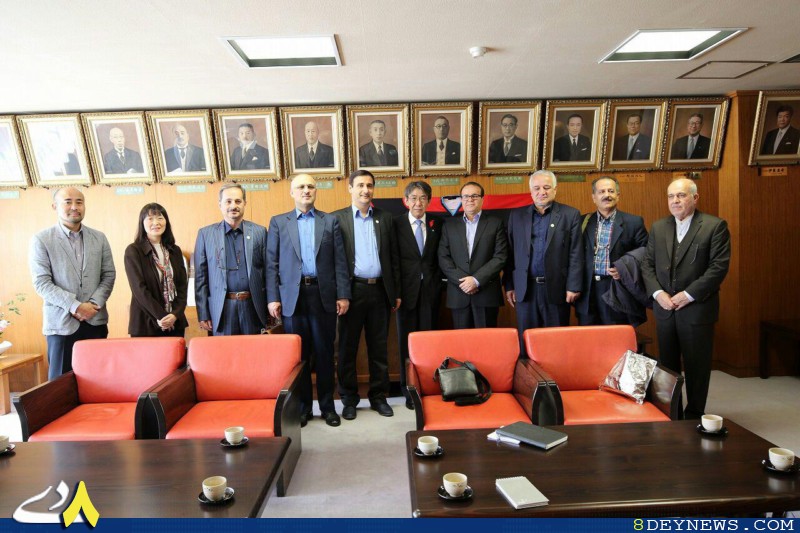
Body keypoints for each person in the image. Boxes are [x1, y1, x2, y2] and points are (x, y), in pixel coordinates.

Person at [642, 178, 731, 420]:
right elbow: (647, 265)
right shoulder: (659, 227)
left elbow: (718, 268)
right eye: (671, 196)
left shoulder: (714, 226)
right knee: (668, 367)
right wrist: (658, 294)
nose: (675, 201)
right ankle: (673, 414)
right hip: (665, 308)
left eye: (681, 195)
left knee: (696, 367)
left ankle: (694, 415)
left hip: (697, 308)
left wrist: (688, 295)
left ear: (695, 198)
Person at [267, 174, 351, 428]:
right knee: (299, 356)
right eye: (301, 187)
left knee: (325, 353)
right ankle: (303, 408)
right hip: (293, 298)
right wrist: (273, 298)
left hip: (323, 295)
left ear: (316, 191)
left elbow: (339, 261)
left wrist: (343, 294)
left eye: (310, 186)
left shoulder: (330, 221)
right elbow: (271, 264)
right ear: (292, 192)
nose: (306, 190)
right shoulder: (279, 222)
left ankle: (327, 407)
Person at [333, 170, 400, 420]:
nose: (365, 190)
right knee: (347, 348)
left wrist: (395, 292)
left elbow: (393, 258)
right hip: (351, 292)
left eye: (369, 185)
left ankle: (379, 397)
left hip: (380, 291)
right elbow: (333, 261)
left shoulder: (385, 218)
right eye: (360, 185)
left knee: (379, 348)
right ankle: (349, 400)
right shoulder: (336, 219)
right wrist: (341, 293)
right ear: (350, 188)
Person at [29, 187, 116, 379]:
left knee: (99, 381)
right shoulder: (42, 239)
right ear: (55, 206)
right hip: (61, 323)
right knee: (60, 386)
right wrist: (75, 306)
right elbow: (42, 283)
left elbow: (108, 275)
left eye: (79, 202)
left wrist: (93, 304)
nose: (74, 207)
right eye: (68, 202)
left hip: (95, 320)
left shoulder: (99, 238)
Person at [504, 170, 582, 353]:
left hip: (557, 289)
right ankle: (528, 373)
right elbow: (510, 253)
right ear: (531, 191)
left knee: (556, 343)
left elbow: (576, 253)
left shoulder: (570, 214)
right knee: (526, 342)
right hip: (525, 289)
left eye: (546, 187)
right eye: (537, 188)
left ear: (555, 189)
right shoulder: (516, 215)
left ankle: (557, 372)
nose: (542, 192)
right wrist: (509, 285)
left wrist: (573, 286)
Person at [194, 184, 268, 335]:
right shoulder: (205, 234)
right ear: (220, 204)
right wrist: (203, 313)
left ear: (245, 203)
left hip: (253, 307)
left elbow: (268, 272)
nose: (233, 206)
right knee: (224, 350)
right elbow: (201, 278)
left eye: (238, 201)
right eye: (228, 201)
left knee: (254, 349)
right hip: (221, 309)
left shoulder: (260, 232)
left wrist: (270, 305)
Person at [394, 180, 443, 410]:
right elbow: (392, 260)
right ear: (406, 201)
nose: (418, 203)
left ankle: (428, 387)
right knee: (406, 343)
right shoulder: (395, 224)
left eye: (423, 198)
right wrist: (395, 292)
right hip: (404, 294)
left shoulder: (437, 223)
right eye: (413, 198)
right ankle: (408, 390)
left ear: (429, 201)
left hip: (431, 291)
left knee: (428, 341)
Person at [575, 177, 648, 326]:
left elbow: (646, 254)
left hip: (616, 288)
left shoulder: (633, 222)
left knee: (615, 335)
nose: (606, 195)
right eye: (601, 191)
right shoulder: (582, 222)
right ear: (594, 197)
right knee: (587, 335)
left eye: (611, 191)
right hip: (588, 290)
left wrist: (625, 269)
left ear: (618, 195)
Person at [438, 181, 508, 329]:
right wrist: (464, 282)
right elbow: (443, 257)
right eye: (466, 196)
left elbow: (500, 256)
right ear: (461, 199)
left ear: (482, 199)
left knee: (487, 340)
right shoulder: (449, 225)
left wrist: (476, 280)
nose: (470, 199)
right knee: (462, 340)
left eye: (475, 196)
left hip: (486, 293)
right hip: (459, 293)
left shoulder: (495, 223)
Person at [124, 203, 188, 337]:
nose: (156, 223)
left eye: (160, 218)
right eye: (150, 218)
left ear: (166, 221)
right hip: (147, 323)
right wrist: (162, 317)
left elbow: (182, 286)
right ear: (142, 223)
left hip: (175, 323)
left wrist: (175, 315)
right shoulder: (133, 251)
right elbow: (139, 289)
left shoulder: (174, 250)